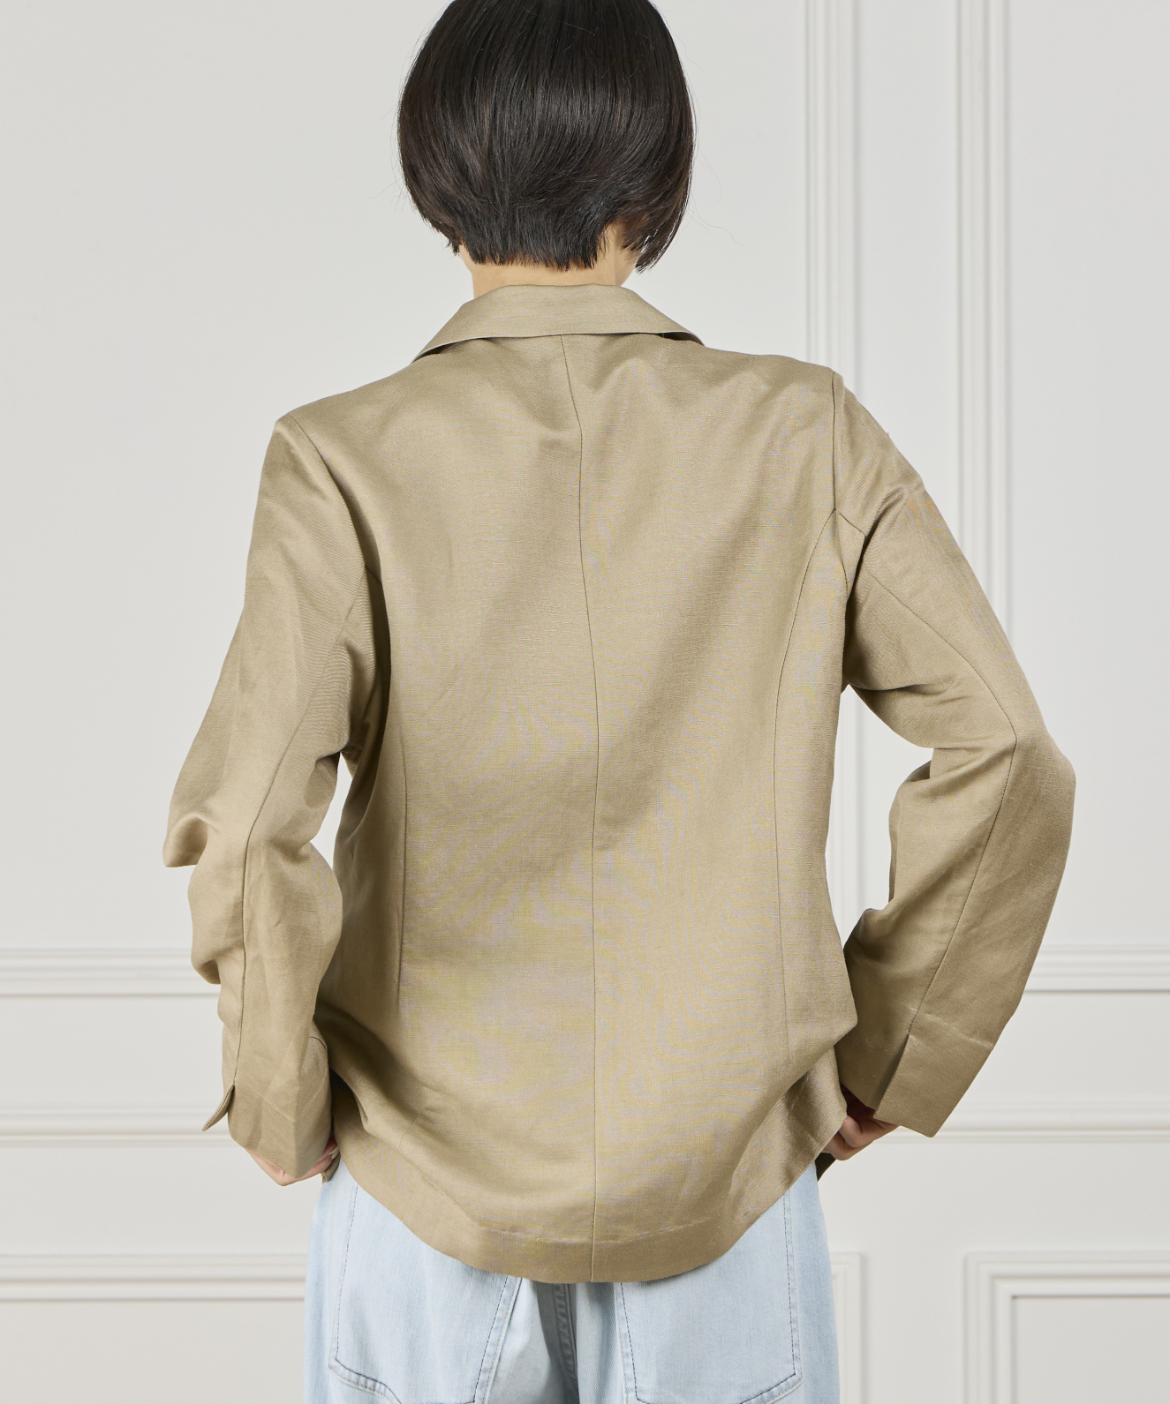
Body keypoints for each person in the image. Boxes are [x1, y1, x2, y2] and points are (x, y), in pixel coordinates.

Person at [163, 1, 1075, 1400]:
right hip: (727, 1192)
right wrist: (890, 1054)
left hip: (419, 1196)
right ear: (654, 185)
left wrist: (280, 1097)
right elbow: (1006, 750)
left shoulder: (341, 458)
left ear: (436, 178)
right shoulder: (807, 433)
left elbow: (246, 827)